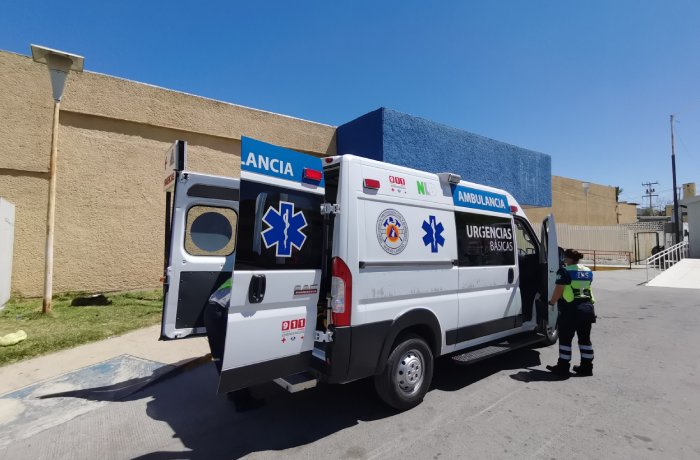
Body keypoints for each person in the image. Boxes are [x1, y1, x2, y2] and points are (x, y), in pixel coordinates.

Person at [204, 278, 266, 411]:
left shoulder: (237, 276)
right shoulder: (252, 281)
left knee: (220, 356)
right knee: (235, 356)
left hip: (211, 311)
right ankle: (243, 402)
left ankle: (232, 393)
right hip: (221, 312)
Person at [546, 249, 597, 377]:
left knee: (565, 339)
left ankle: (563, 367)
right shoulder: (587, 271)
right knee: (585, 339)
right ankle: (587, 367)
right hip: (587, 309)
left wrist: (551, 302)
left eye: (564, 257)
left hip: (571, 310)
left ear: (568, 258)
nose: (563, 259)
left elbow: (559, 290)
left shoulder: (564, 271)